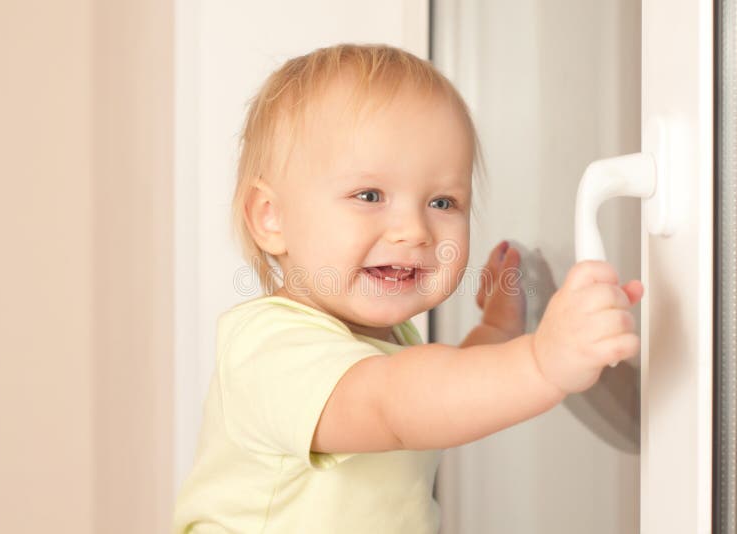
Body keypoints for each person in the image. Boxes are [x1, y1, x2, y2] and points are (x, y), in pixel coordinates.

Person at [172, 43, 644, 533]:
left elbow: (440, 393)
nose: (414, 231)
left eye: (442, 202)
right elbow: (396, 405)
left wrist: (498, 330)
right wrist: (542, 362)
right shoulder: (269, 348)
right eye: (369, 195)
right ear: (271, 217)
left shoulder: (390, 341)